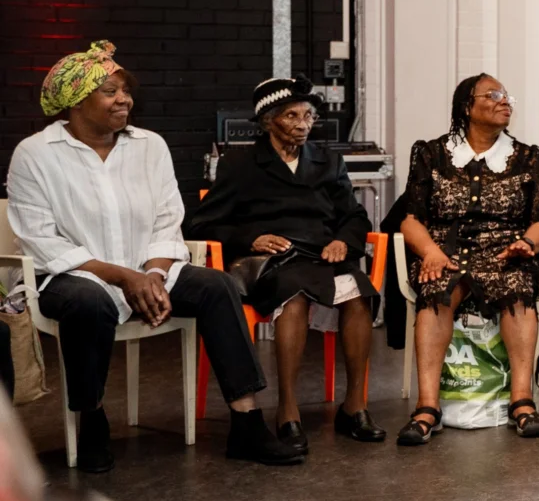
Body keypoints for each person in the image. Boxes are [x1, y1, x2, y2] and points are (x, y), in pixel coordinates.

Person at [3, 42, 302, 471]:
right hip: (76, 276)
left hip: (151, 269)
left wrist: (154, 273)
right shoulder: (35, 155)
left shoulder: (150, 146)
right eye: (109, 90)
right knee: (88, 304)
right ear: (73, 101)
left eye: (125, 90)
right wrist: (124, 277)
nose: (124, 99)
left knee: (218, 286)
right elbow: (42, 240)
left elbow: (168, 219)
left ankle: (247, 421)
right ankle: (92, 418)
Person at [189, 76, 386, 449]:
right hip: (272, 262)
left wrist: (343, 241)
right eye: (292, 115)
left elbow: (355, 216)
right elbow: (202, 222)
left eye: (309, 116)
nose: (303, 124)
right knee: (292, 297)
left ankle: (355, 406)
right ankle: (287, 410)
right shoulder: (242, 163)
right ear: (268, 120)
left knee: (360, 293)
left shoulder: (328, 161)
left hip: (322, 257)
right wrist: (251, 238)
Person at [396, 74, 539, 445]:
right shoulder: (431, 153)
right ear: (467, 107)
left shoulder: (528, 156)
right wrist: (430, 251)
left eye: (507, 96)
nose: (505, 102)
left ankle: (522, 402)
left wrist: (527, 244)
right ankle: (427, 408)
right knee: (436, 289)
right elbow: (411, 219)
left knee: (517, 286)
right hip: (445, 250)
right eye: (494, 95)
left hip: (505, 250)